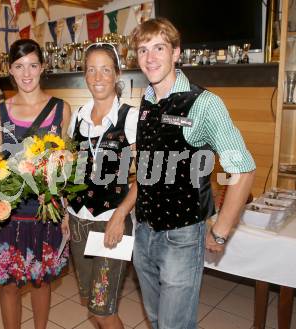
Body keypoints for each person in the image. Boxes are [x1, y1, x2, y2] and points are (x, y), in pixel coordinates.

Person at [104, 18, 256, 329]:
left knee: (175, 324)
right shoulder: (145, 100)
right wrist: (123, 213)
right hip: (144, 231)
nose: (150, 58)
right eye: (143, 50)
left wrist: (221, 229)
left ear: (176, 53)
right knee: (159, 319)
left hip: (182, 236)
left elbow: (243, 169)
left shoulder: (204, 104)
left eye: (159, 48)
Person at [0, 39, 71, 329]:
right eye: (19, 66)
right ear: (10, 70)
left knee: (41, 281)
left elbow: (67, 166)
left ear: (43, 67)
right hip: (8, 212)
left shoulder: (61, 109)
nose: (27, 73)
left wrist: (65, 209)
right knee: (8, 283)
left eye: (33, 65)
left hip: (45, 213)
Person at [64, 42, 138, 329]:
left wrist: (120, 216)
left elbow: (146, 174)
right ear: (84, 75)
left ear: (117, 74)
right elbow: (70, 173)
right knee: (93, 305)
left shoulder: (130, 117)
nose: (98, 77)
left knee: (103, 307)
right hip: (78, 221)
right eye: (91, 70)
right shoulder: (78, 118)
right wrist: (64, 213)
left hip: (111, 222)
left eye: (105, 69)